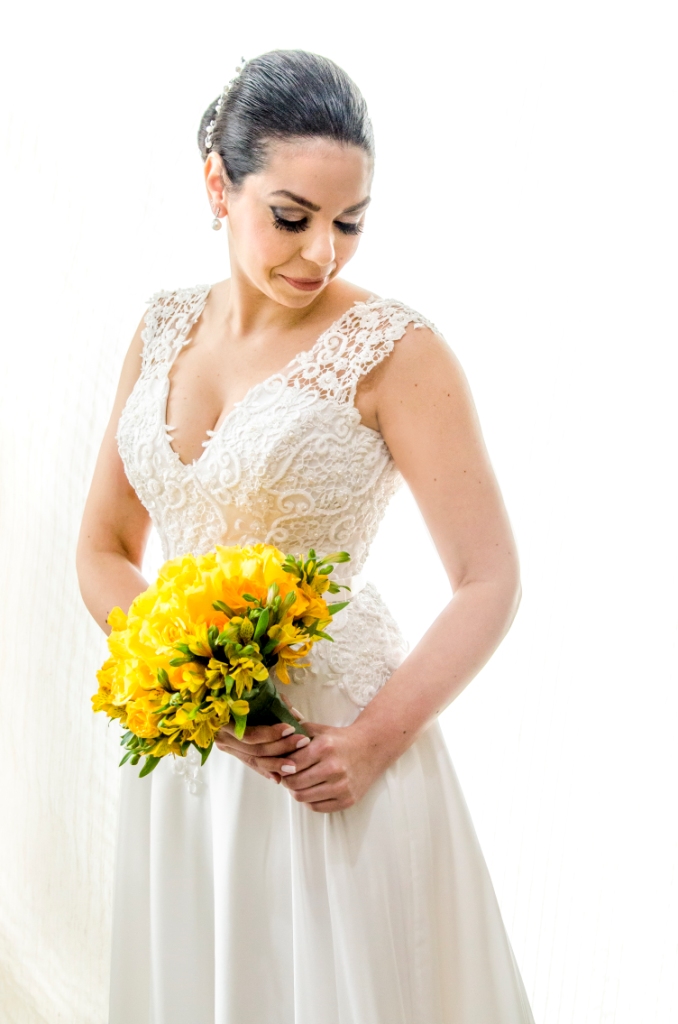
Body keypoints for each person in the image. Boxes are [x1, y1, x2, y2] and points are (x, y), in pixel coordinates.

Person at [76, 48, 535, 1024]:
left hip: (327, 748)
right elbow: (106, 545)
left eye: (350, 222)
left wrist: (368, 743)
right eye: (292, 216)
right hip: (195, 748)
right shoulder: (161, 328)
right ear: (218, 184)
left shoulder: (397, 349)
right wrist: (191, 678)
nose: (321, 251)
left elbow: (489, 577)